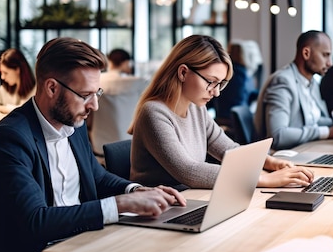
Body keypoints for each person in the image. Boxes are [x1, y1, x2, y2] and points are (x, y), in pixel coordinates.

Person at [0, 37, 228, 252]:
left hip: (81, 244)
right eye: (85, 95)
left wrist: (137, 190)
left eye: (97, 93)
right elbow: (36, 222)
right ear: (51, 87)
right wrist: (119, 204)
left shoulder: (73, 122)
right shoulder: (12, 139)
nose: (94, 106)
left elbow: (95, 176)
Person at [129, 34, 314, 190]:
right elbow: (188, 171)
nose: (216, 92)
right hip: (158, 210)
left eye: (220, 84)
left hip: (189, 199)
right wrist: (262, 179)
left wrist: (270, 162)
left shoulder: (196, 109)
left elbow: (230, 150)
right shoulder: (154, 113)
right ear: (183, 73)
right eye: (211, 81)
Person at [254, 30, 333, 151]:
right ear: (306, 53)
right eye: (325, 55)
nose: (330, 63)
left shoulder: (312, 82)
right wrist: (328, 132)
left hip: (306, 149)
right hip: (282, 156)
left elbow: (312, 120)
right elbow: (278, 135)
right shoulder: (283, 81)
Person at [86, 48, 148, 160]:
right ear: (125, 63)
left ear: (109, 61)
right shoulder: (138, 83)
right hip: (128, 144)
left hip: (100, 145)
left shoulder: (97, 81)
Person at [212, 41, 259, 126]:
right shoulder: (243, 74)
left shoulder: (224, 72)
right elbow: (247, 96)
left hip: (221, 115)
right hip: (236, 118)